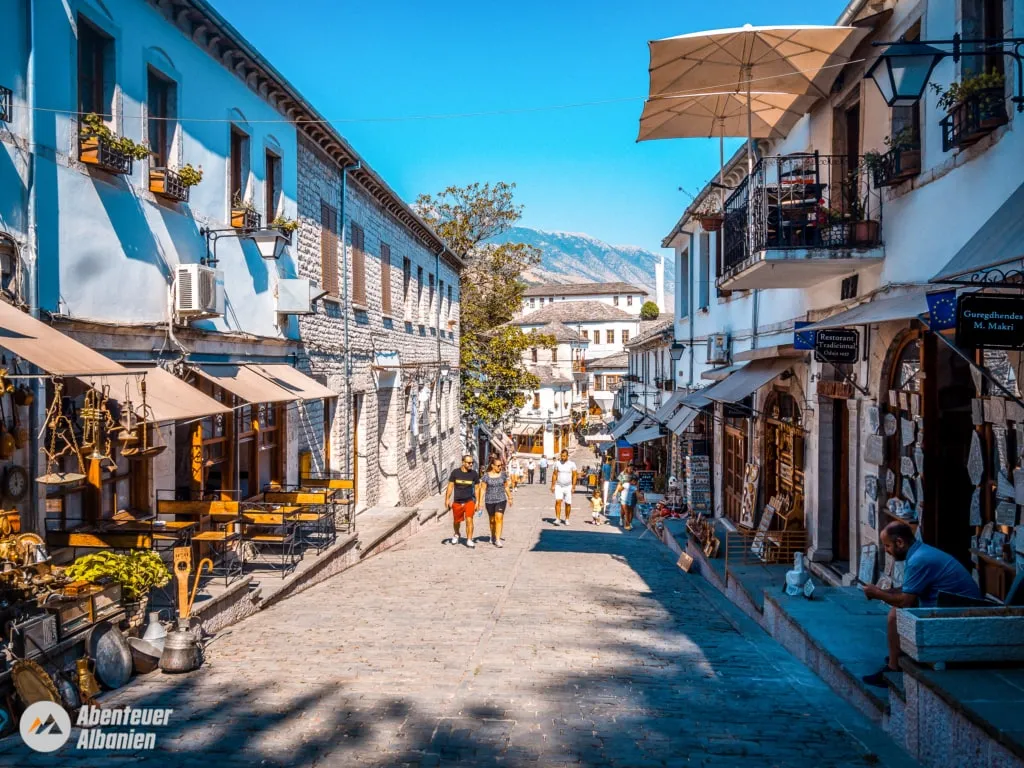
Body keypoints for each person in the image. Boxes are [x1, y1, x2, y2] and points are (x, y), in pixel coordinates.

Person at [861, 521, 981, 687]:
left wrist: (877, 594)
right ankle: (897, 653)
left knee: (895, 615)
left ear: (900, 543)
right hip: (952, 606)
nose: (887, 551)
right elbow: (910, 589)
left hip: (958, 612)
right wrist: (884, 591)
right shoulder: (921, 552)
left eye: (887, 546)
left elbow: (905, 601)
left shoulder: (919, 560)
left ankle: (893, 667)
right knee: (897, 612)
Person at [477, 454, 513, 547]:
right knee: (492, 520)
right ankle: (492, 535)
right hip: (489, 501)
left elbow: (506, 487)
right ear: (492, 466)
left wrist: (510, 497)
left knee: (499, 518)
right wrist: (480, 502)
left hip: (501, 500)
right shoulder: (486, 476)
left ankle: (497, 539)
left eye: (501, 465)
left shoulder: (503, 475)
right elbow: (483, 489)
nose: (500, 467)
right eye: (498, 465)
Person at [445, 453, 480, 548]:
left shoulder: (474, 474)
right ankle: (457, 534)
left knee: (470, 520)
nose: (471, 464)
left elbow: (477, 488)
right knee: (457, 521)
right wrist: (447, 499)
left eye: (472, 463)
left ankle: (469, 539)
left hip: (469, 501)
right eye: (468, 463)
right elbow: (450, 486)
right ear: (463, 462)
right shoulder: (455, 473)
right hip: (457, 501)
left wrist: (477, 502)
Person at [549, 449, 578, 525]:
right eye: (561, 456)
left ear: (567, 456)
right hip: (559, 486)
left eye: (564, 456)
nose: (563, 457)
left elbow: (575, 475)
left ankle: (567, 519)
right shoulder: (557, 464)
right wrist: (552, 485)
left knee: (568, 503)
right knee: (558, 501)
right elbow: (554, 474)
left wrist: (573, 487)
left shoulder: (572, 464)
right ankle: (557, 519)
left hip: (568, 486)